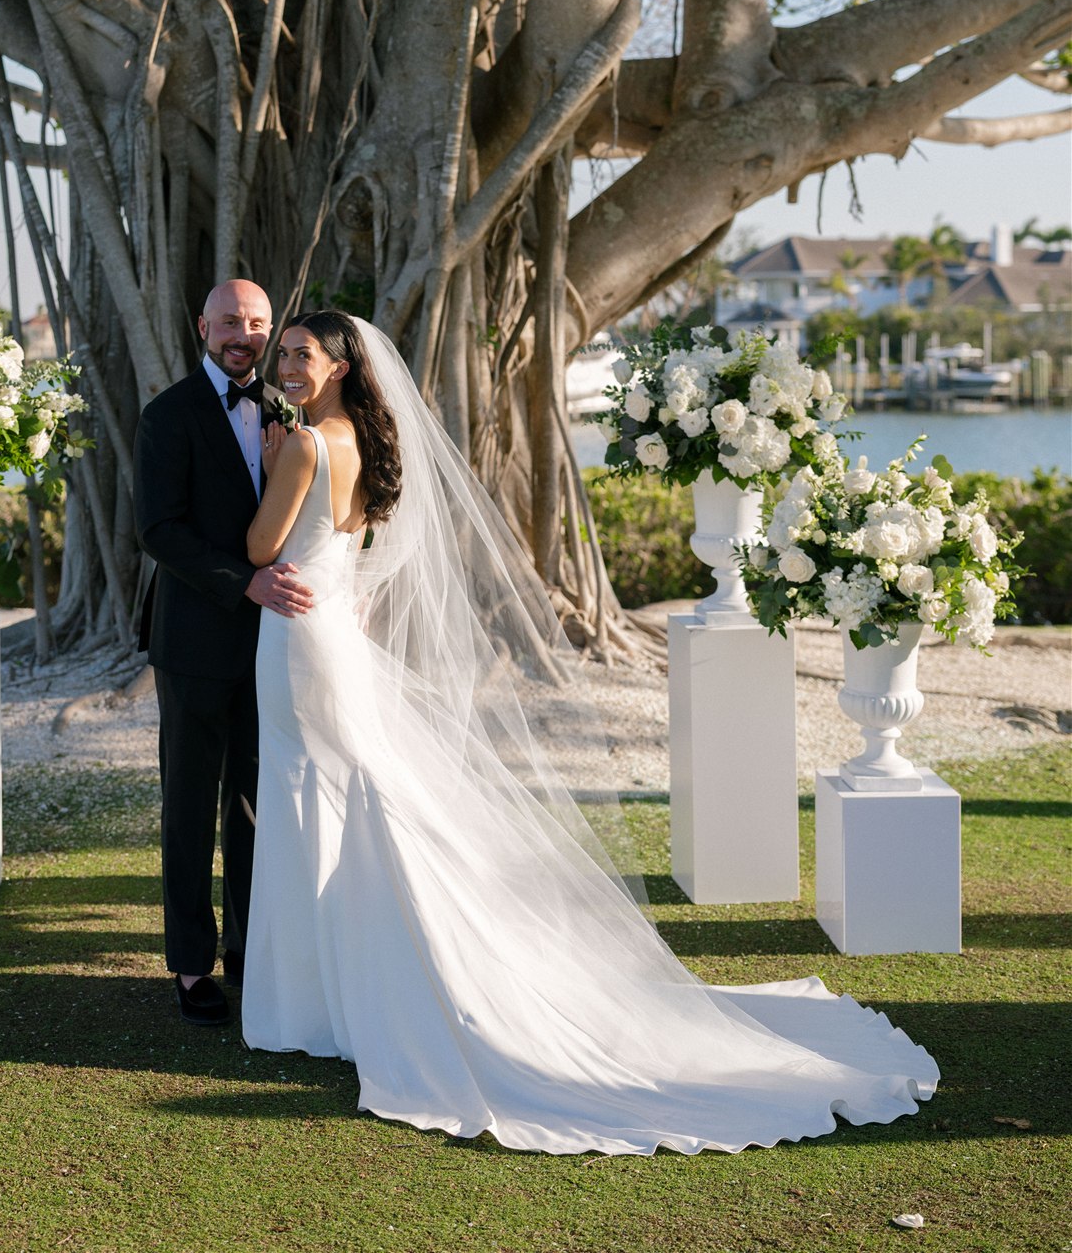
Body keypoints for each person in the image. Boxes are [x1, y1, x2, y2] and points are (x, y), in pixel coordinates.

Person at [239, 308, 939, 1155]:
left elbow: (260, 543)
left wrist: (271, 463)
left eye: (301, 353)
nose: (285, 364)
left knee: (312, 794)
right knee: (342, 796)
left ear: (343, 365)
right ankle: (333, 994)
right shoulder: (360, 445)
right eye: (284, 353)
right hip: (334, 632)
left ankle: (315, 998)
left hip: (297, 640)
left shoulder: (309, 446)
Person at [133, 278, 314, 1027]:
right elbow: (159, 530)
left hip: (270, 644)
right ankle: (188, 965)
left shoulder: (288, 414)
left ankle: (248, 947)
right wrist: (242, 584)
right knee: (188, 805)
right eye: (230, 320)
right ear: (201, 325)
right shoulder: (167, 415)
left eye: (256, 322)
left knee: (251, 802)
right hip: (194, 638)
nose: (243, 333)